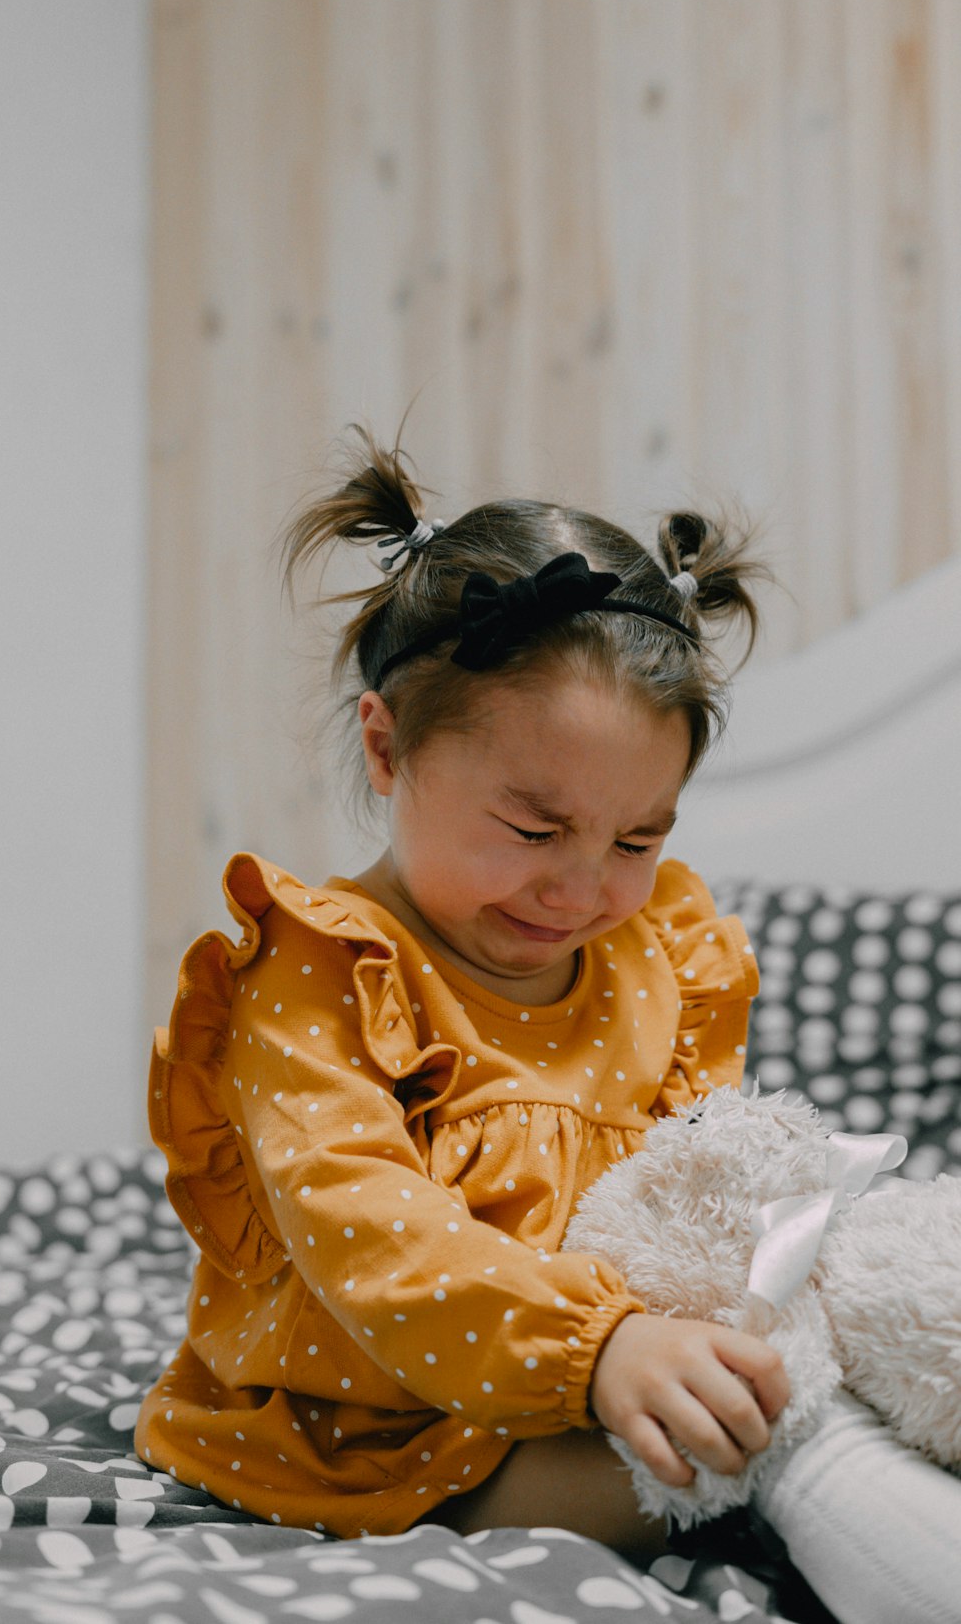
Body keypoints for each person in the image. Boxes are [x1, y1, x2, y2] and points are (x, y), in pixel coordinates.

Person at [136, 429, 961, 1622]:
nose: (582, 893)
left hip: (616, 1357)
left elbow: (697, 1189)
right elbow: (376, 1241)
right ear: (386, 744)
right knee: (771, 1421)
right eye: (533, 831)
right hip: (389, 1430)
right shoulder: (320, 974)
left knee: (889, 1327)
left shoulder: (652, 954)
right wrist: (602, 1347)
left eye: (638, 840)